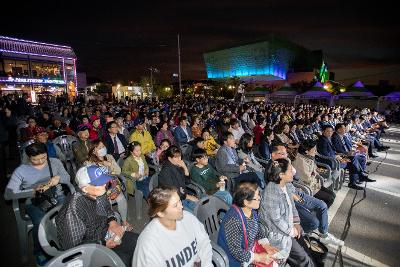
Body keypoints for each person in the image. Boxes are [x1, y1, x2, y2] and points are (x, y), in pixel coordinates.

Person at [56, 165, 138, 267]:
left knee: (138, 241)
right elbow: (72, 247)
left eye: (104, 181)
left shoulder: (99, 192)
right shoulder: (74, 209)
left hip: (104, 233)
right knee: (123, 261)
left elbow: (107, 210)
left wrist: (112, 222)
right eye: (99, 183)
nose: (104, 184)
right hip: (89, 249)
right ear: (85, 188)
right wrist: (103, 244)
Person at [4, 143, 70, 266]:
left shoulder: (54, 162)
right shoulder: (22, 170)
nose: (40, 162)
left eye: (43, 158)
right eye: (35, 159)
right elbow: (8, 194)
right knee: (41, 221)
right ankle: (40, 251)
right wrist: (32, 191)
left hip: (57, 196)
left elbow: (67, 177)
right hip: (34, 201)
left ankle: (67, 245)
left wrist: (59, 178)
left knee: (67, 216)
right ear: (29, 158)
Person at [132, 186, 213, 266]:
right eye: (175, 205)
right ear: (160, 213)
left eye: (180, 201)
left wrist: (207, 263)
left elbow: (203, 241)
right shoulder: (148, 245)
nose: (181, 206)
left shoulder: (187, 217)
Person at [258, 158, 314, 266]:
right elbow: (276, 220)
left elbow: (292, 206)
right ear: (281, 175)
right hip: (276, 236)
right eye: (289, 170)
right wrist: (291, 231)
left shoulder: (286, 186)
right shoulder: (271, 192)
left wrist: (296, 223)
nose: (293, 171)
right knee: (301, 260)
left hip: (287, 231)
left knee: (306, 251)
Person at [218, 182, 280, 267]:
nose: (259, 199)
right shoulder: (234, 220)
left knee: (275, 259)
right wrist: (258, 257)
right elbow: (236, 252)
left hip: (247, 247)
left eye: (259, 195)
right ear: (246, 202)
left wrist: (266, 245)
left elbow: (257, 229)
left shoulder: (252, 212)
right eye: (256, 198)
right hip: (235, 259)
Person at [85, 139, 130, 227]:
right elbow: (91, 179)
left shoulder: (109, 156)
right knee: (106, 204)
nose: (103, 149)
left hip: (112, 187)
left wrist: (110, 165)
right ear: (93, 151)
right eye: (99, 148)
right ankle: (110, 226)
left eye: (103, 147)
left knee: (121, 199)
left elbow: (118, 171)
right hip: (100, 189)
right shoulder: (89, 162)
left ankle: (124, 222)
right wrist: (101, 163)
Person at [292, 139, 336, 207]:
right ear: (306, 151)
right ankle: (320, 212)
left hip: (312, 185)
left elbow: (314, 172)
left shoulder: (307, 157)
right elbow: (307, 179)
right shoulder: (300, 161)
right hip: (305, 188)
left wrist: (315, 175)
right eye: (314, 149)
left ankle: (320, 212)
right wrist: (314, 176)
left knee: (333, 195)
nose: (316, 152)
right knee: (329, 198)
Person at [158, 145, 199, 212]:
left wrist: (184, 167)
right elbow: (172, 191)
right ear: (169, 158)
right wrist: (187, 196)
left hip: (182, 195)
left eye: (180, 156)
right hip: (172, 200)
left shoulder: (177, 166)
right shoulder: (165, 172)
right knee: (197, 210)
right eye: (176, 157)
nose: (179, 159)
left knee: (201, 206)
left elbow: (187, 181)